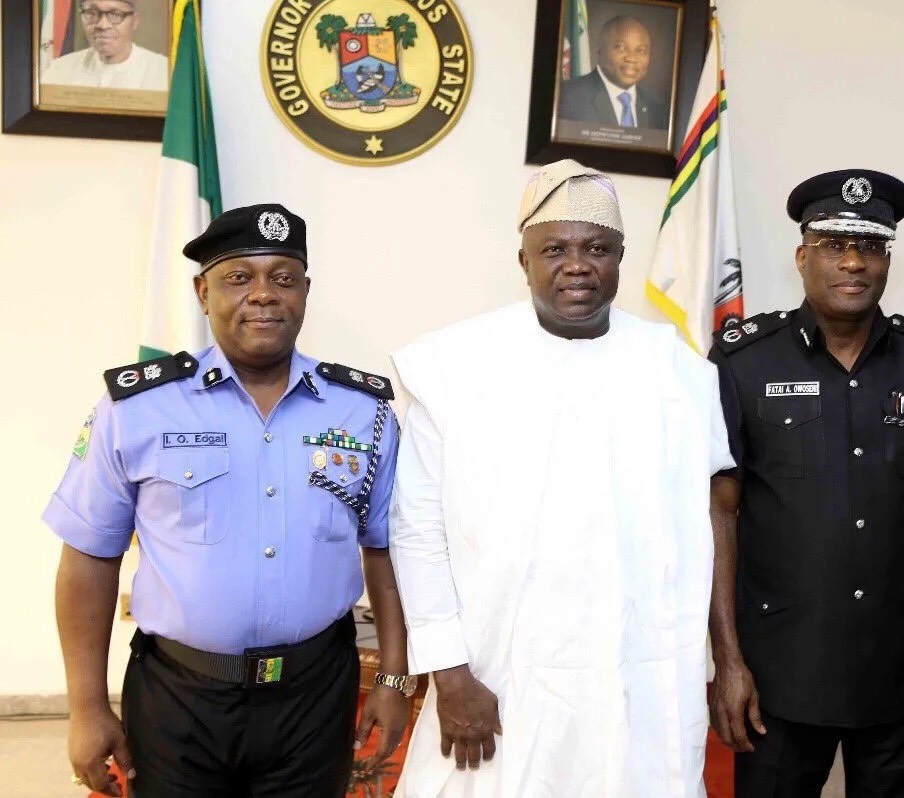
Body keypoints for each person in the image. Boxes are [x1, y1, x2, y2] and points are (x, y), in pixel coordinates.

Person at [387, 159, 735, 796]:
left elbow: (707, 526)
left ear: (621, 256)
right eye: (554, 249)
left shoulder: (679, 373)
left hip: (637, 676)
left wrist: (722, 660)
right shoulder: (451, 365)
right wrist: (448, 673)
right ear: (523, 260)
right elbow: (417, 531)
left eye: (596, 248)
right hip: (498, 672)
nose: (577, 264)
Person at [44, 204, 414, 797]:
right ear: (202, 290)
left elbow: (389, 551)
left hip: (315, 694)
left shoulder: (364, 413)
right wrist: (86, 707)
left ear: (305, 292)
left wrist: (394, 679)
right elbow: (88, 558)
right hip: (177, 699)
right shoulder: (137, 409)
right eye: (239, 277)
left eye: (283, 277)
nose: (263, 295)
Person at [707, 170, 904, 797]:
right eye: (834, 244)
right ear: (803, 256)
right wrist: (728, 662)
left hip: (902, 678)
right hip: (779, 676)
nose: (854, 262)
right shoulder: (744, 360)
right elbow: (718, 514)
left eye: (871, 246)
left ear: (888, 258)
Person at [558, 15, 667, 129]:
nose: (631, 58)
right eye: (620, 47)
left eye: (641, 50)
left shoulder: (655, 107)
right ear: (599, 48)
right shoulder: (567, 97)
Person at [41, 0, 168, 90]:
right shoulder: (59, 70)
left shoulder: (164, 72)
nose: (102, 25)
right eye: (92, 13)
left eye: (115, 14)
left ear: (134, 21)